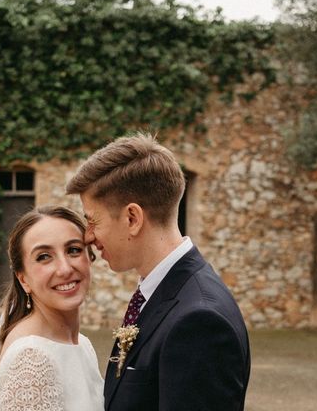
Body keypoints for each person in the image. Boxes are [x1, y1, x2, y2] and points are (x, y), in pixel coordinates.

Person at [66, 132, 251, 411]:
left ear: (132, 219)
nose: (88, 237)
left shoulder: (198, 322)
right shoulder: (163, 292)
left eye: (92, 221)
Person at [0, 206, 104, 411]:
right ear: (23, 280)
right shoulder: (30, 359)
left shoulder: (82, 344)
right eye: (44, 257)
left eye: (73, 250)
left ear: (89, 258)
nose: (65, 268)